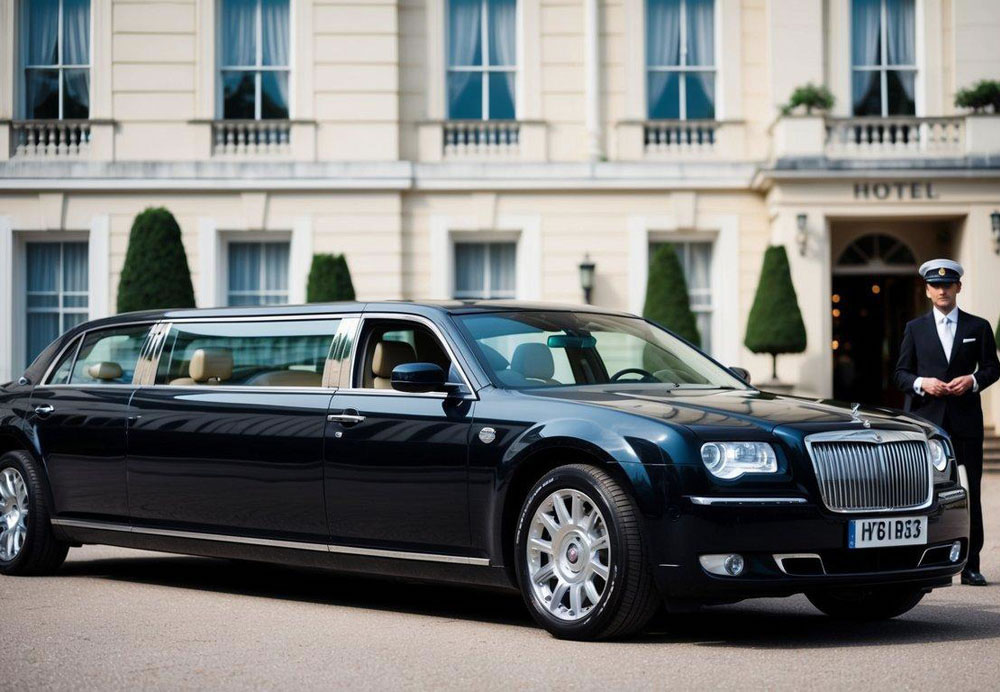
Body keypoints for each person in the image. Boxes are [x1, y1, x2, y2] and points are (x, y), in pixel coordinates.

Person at [894, 259, 1000, 586]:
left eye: (948, 284)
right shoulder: (914, 328)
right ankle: (920, 565)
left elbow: (992, 369)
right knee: (923, 493)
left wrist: (972, 380)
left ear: (958, 288)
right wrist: (921, 383)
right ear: (927, 291)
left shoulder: (978, 327)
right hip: (927, 427)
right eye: (936, 286)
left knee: (970, 493)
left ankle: (971, 565)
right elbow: (900, 374)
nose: (942, 290)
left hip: (966, 424)